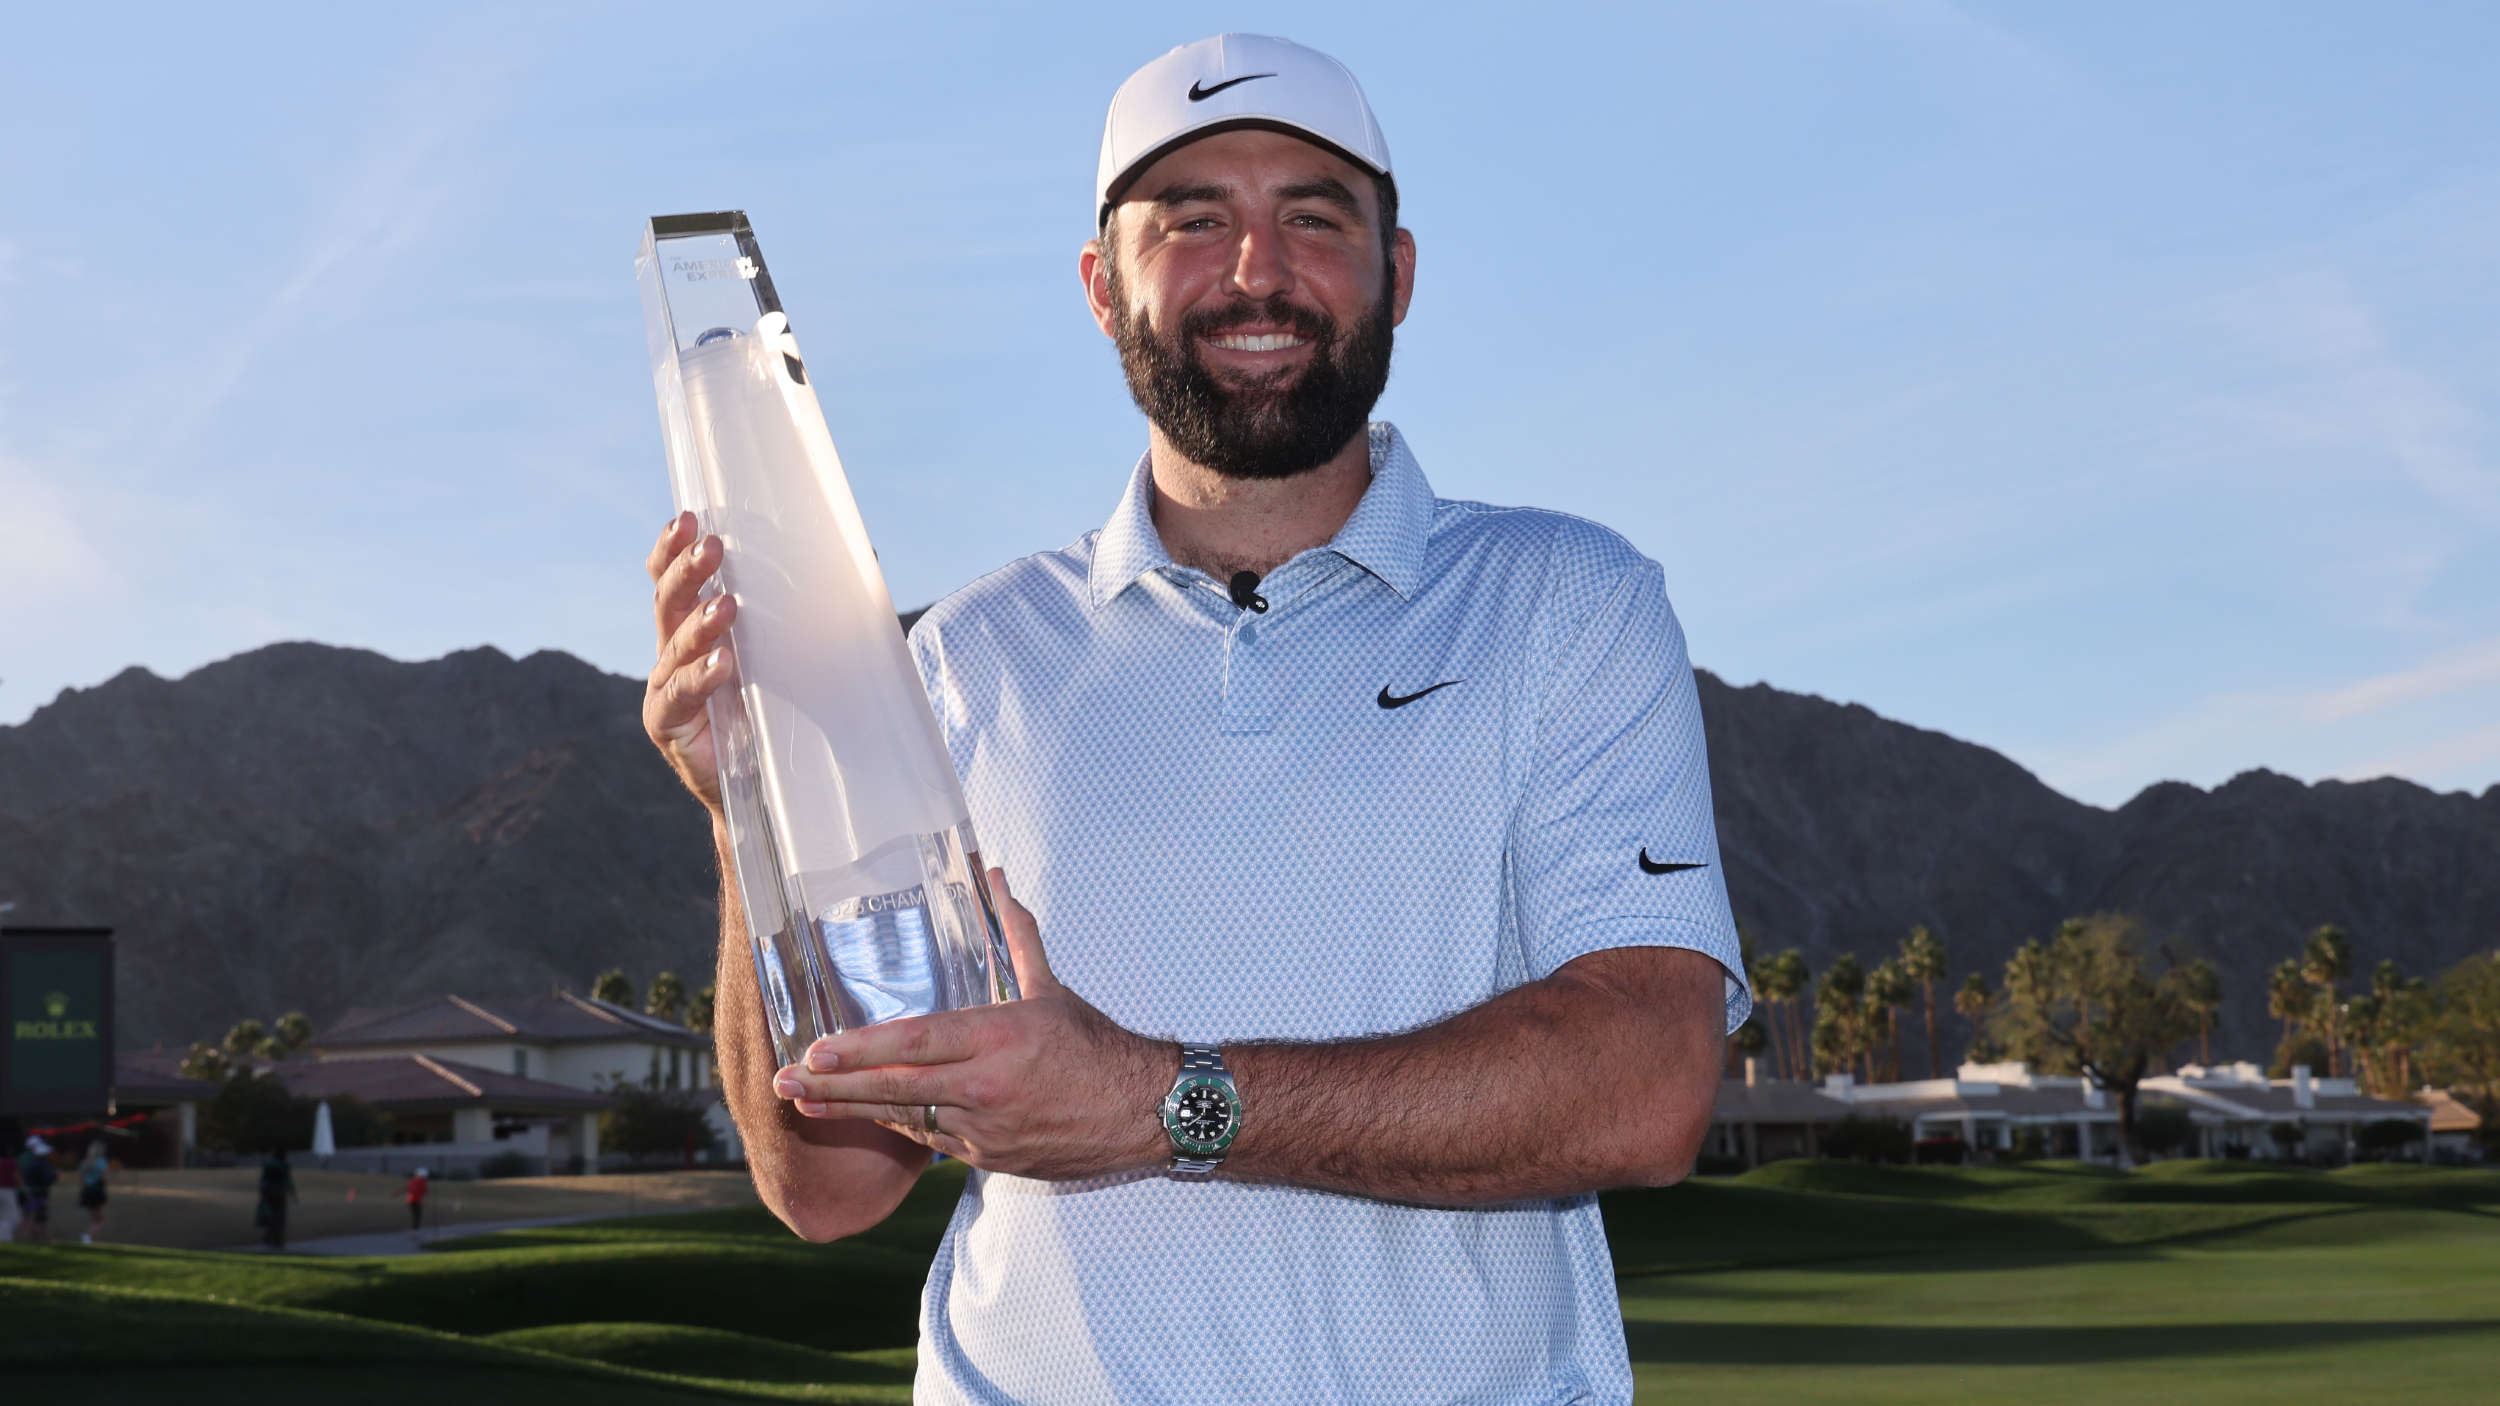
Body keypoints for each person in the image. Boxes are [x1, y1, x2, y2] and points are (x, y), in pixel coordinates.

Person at [643, 33, 1743, 1404]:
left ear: (1397, 275)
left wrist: (1153, 1101)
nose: (1255, 272)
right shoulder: (963, 658)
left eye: (1314, 218)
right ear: (1103, 288)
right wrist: (750, 805)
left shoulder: (1566, 604)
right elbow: (827, 1182)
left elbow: (1647, 1081)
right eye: (1193, 221)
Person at [16, 1136, 56, 1244]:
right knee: (34, 1220)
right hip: (38, 1196)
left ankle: (39, 1241)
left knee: (34, 1219)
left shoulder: (28, 1162)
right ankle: (26, 1241)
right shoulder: (43, 1165)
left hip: (28, 1194)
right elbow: (47, 1180)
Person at [257, 1147, 296, 1251]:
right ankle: (277, 1240)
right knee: (280, 1216)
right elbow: (287, 1180)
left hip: (268, 1191)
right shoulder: (283, 1165)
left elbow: (263, 1180)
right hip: (279, 1192)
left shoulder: (269, 1164)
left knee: (270, 1215)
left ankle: (269, 1238)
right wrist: (293, 1195)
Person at [76, 1141, 108, 1243]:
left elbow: (81, 1180)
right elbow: (105, 1177)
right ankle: (88, 1235)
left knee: (94, 1218)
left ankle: (93, 1239)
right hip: (97, 1191)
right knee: (102, 1219)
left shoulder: (84, 1162)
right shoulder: (101, 1161)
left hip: (87, 1191)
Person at [405, 1167, 429, 1234]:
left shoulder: (413, 1181)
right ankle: (414, 1229)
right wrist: (426, 1202)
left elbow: (408, 1188)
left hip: (410, 1200)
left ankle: (414, 1228)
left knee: (416, 1214)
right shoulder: (423, 1183)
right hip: (416, 1200)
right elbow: (425, 1192)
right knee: (417, 1215)